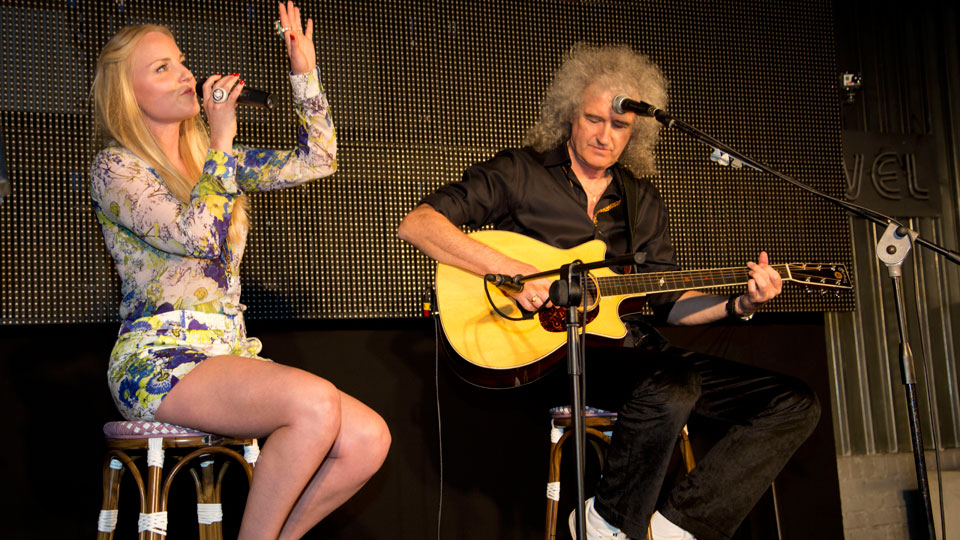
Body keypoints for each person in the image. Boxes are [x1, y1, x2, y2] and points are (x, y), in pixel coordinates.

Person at [398, 44, 820, 540]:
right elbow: (418, 224)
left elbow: (669, 304)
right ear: (568, 115)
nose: (604, 135)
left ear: (635, 130)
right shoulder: (519, 172)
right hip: (554, 358)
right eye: (593, 119)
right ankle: (611, 523)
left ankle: (675, 527)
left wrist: (741, 304)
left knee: (794, 402)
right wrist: (512, 269)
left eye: (618, 126)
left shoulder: (642, 200)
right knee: (672, 380)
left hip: (638, 357)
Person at [89, 3, 390, 538]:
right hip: (159, 360)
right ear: (127, 94)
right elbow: (196, 238)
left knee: (368, 437)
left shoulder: (212, 159)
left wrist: (304, 71)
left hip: (227, 352)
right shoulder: (117, 168)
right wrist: (222, 140)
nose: (186, 74)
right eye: (162, 68)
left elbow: (319, 159)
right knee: (315, 404)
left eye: (182, 61)